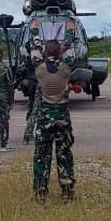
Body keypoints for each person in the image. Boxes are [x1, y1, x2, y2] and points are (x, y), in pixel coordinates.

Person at [32, 40, 80, 202]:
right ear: (59, 52)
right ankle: (67, 191)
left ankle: (40, 191)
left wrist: (37, 39)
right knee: (64, 154)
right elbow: (72, 55)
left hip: (45, 117)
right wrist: (67, 41)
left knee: (41, 155)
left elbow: (34, 53)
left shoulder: (39, 69)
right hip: (62, 117)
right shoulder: (66, 69)